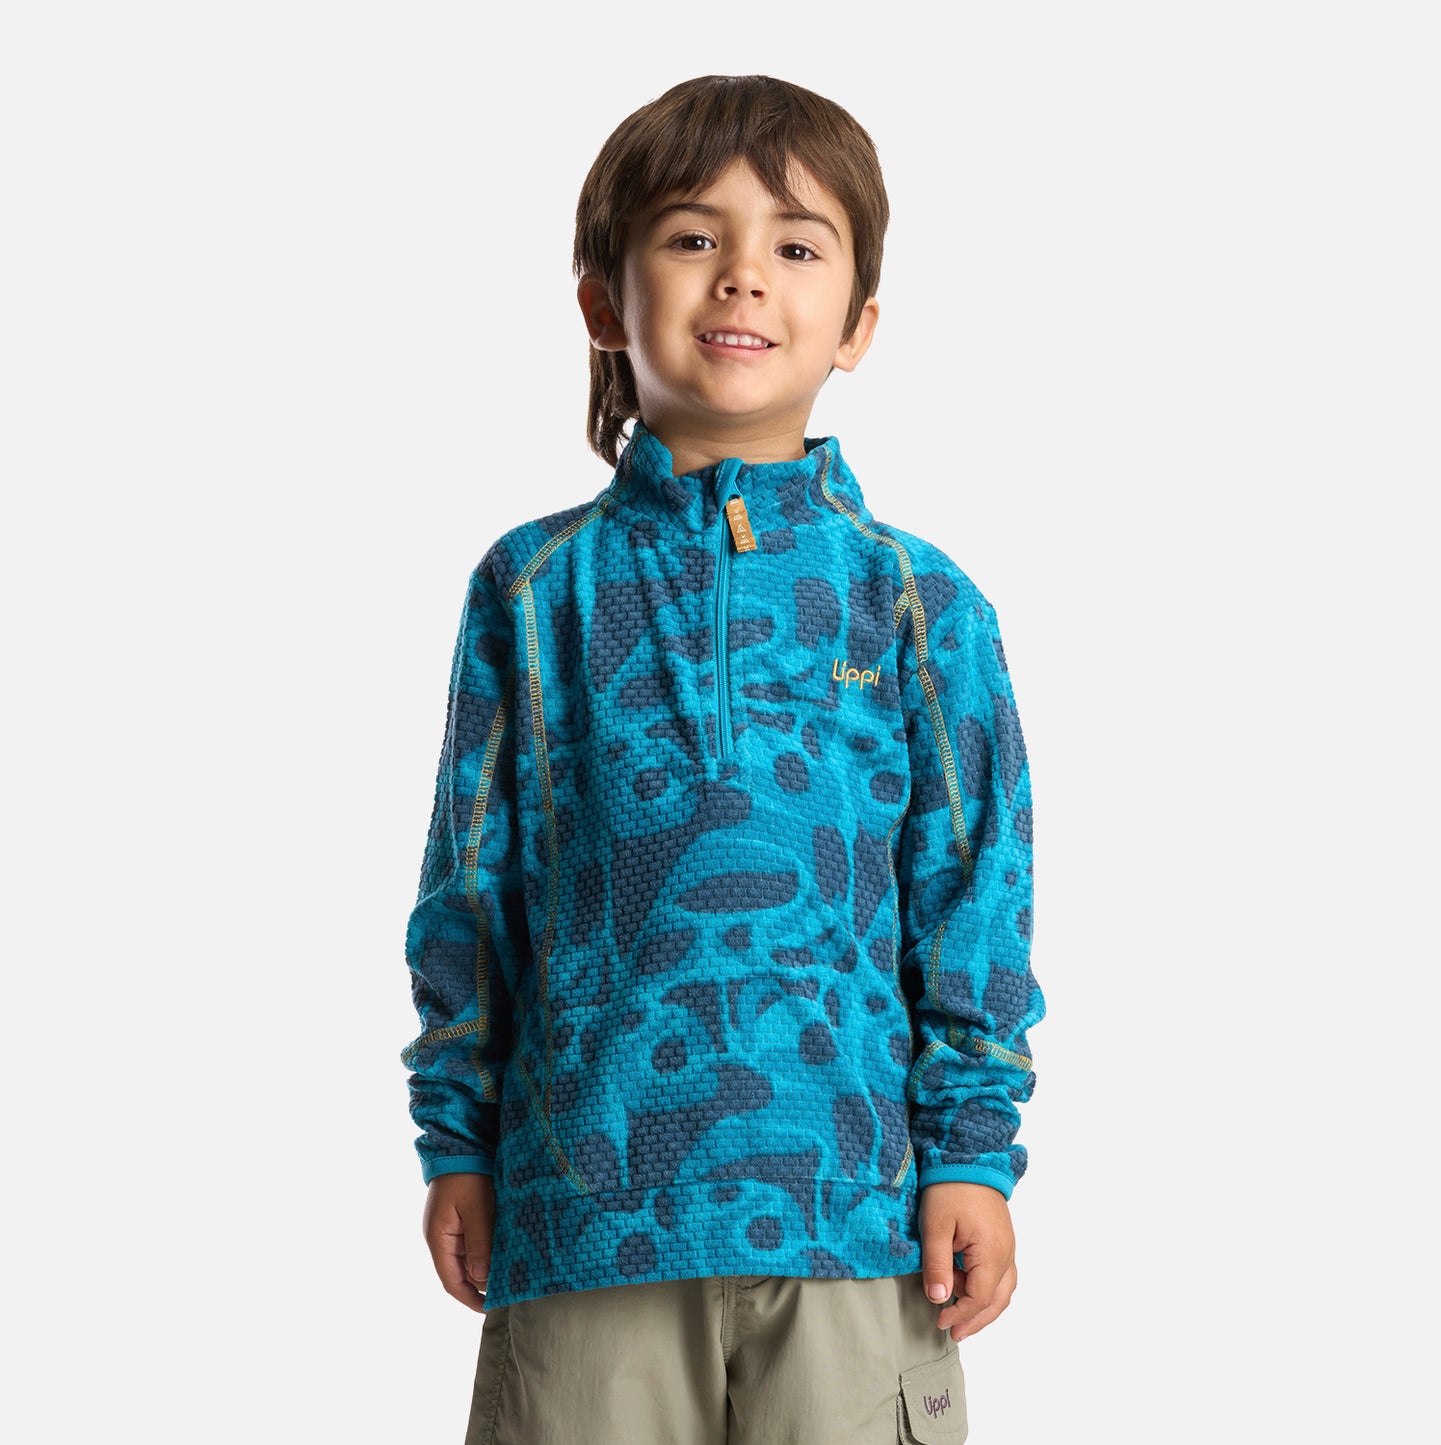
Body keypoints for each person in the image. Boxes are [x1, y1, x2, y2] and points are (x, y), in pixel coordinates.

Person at [399, 73, 1045, 1445]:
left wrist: (973, 1155)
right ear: (601, 299)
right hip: (584, 1216)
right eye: (693, 238)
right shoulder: (532, 589)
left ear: (857, 323)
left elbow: (973, 893)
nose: (743, 275)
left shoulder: (917, 602)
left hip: (858, 1219)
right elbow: (469, 888)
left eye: (796, 246)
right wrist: (456, 1137)